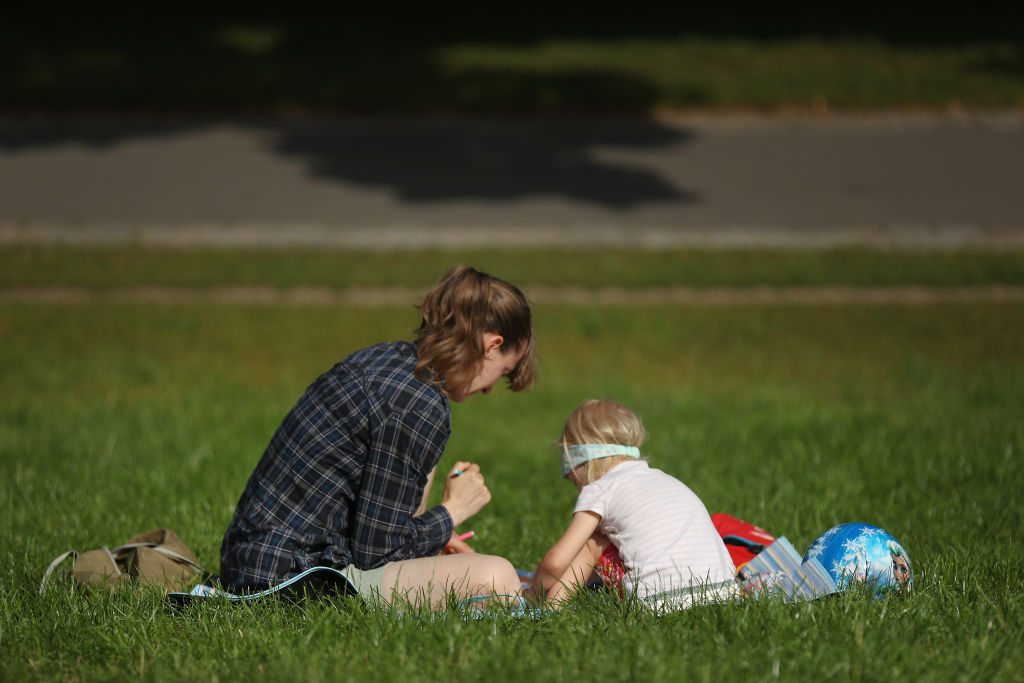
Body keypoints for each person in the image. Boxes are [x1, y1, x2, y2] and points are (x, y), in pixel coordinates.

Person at [220, 265, 537, 607]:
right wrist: (452, 511)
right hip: (291, 578)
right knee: (498, 578)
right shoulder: (418, 406)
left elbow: (386, 526)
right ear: (492, 345)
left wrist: (433, 539)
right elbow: (378, 553)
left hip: (254, 560)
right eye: (502, 371)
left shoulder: (395, 362)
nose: (490, 390)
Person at [529, 399, 736, 607]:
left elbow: (555, 564)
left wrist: (531, 593)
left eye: (571, 477)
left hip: (659, 600)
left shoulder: (600, 488)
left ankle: (550, 609)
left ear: (579, 461)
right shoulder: (663, 480)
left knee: (592, 543)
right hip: (723, 591)